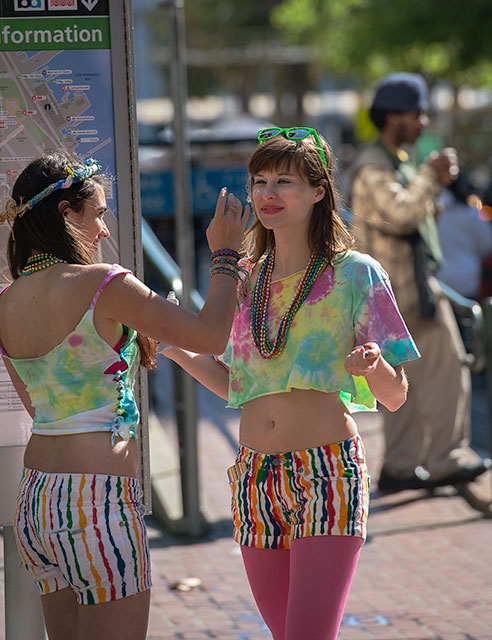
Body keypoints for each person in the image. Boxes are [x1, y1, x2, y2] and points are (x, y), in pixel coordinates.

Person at [163, 127, 420, 639]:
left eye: (285, 181)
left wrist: (373, 367)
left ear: (319, 190)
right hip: (254, 477)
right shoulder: (246, 279)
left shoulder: (356, 274)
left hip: (326, 472)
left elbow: (395, 396)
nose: (268, 193)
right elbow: (238, 386)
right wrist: (174, 348)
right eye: (259, 181)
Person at [0, 152, 248, 640]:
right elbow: (212, 335)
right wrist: (225, 256)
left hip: (35, 502)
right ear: (65, 213)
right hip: (97, 503)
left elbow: (38, 408)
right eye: (97, 214)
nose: (104, 230)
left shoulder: (7, 301)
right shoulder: (103, 284)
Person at [348, 72, 491, 494]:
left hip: (402, 294)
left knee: (403, 385)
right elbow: (401, 214)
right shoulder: (374, 166)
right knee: (448, 372)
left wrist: (431, 182)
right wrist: (430, 176)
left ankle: (401, 467)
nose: (424, 123)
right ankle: (445, 460)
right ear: (395, 117)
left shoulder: (394, 160)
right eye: (418, 114)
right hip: (404, 296)